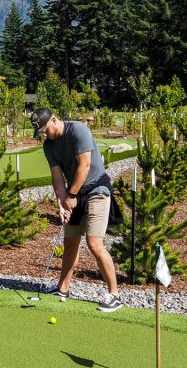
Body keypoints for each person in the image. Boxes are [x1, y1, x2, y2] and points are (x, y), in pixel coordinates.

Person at [31, 107, 123, 312]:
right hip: (74, 194)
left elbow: (85, 166)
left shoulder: (78, 130)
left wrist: (71, 196)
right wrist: (61, 202)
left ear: (54, 120)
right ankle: (62, 289)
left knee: (94, 243)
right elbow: (56, 177)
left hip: (96, 189)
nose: (45, 134)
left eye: (46, 129)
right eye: (41, 132)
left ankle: (115, 294)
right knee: (70, 240)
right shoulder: (49, 146)